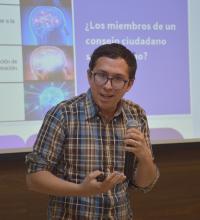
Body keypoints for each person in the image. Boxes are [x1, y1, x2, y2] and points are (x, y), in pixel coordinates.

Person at [25, 43, 159, 219]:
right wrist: (81, 190)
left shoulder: (136, 115)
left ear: (129, 84)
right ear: (89, 76)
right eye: (101, 76)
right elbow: (34, 178)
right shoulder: (63, 114)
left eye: (118, 79)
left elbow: (143, 184)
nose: (108, 86)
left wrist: (145, 158)